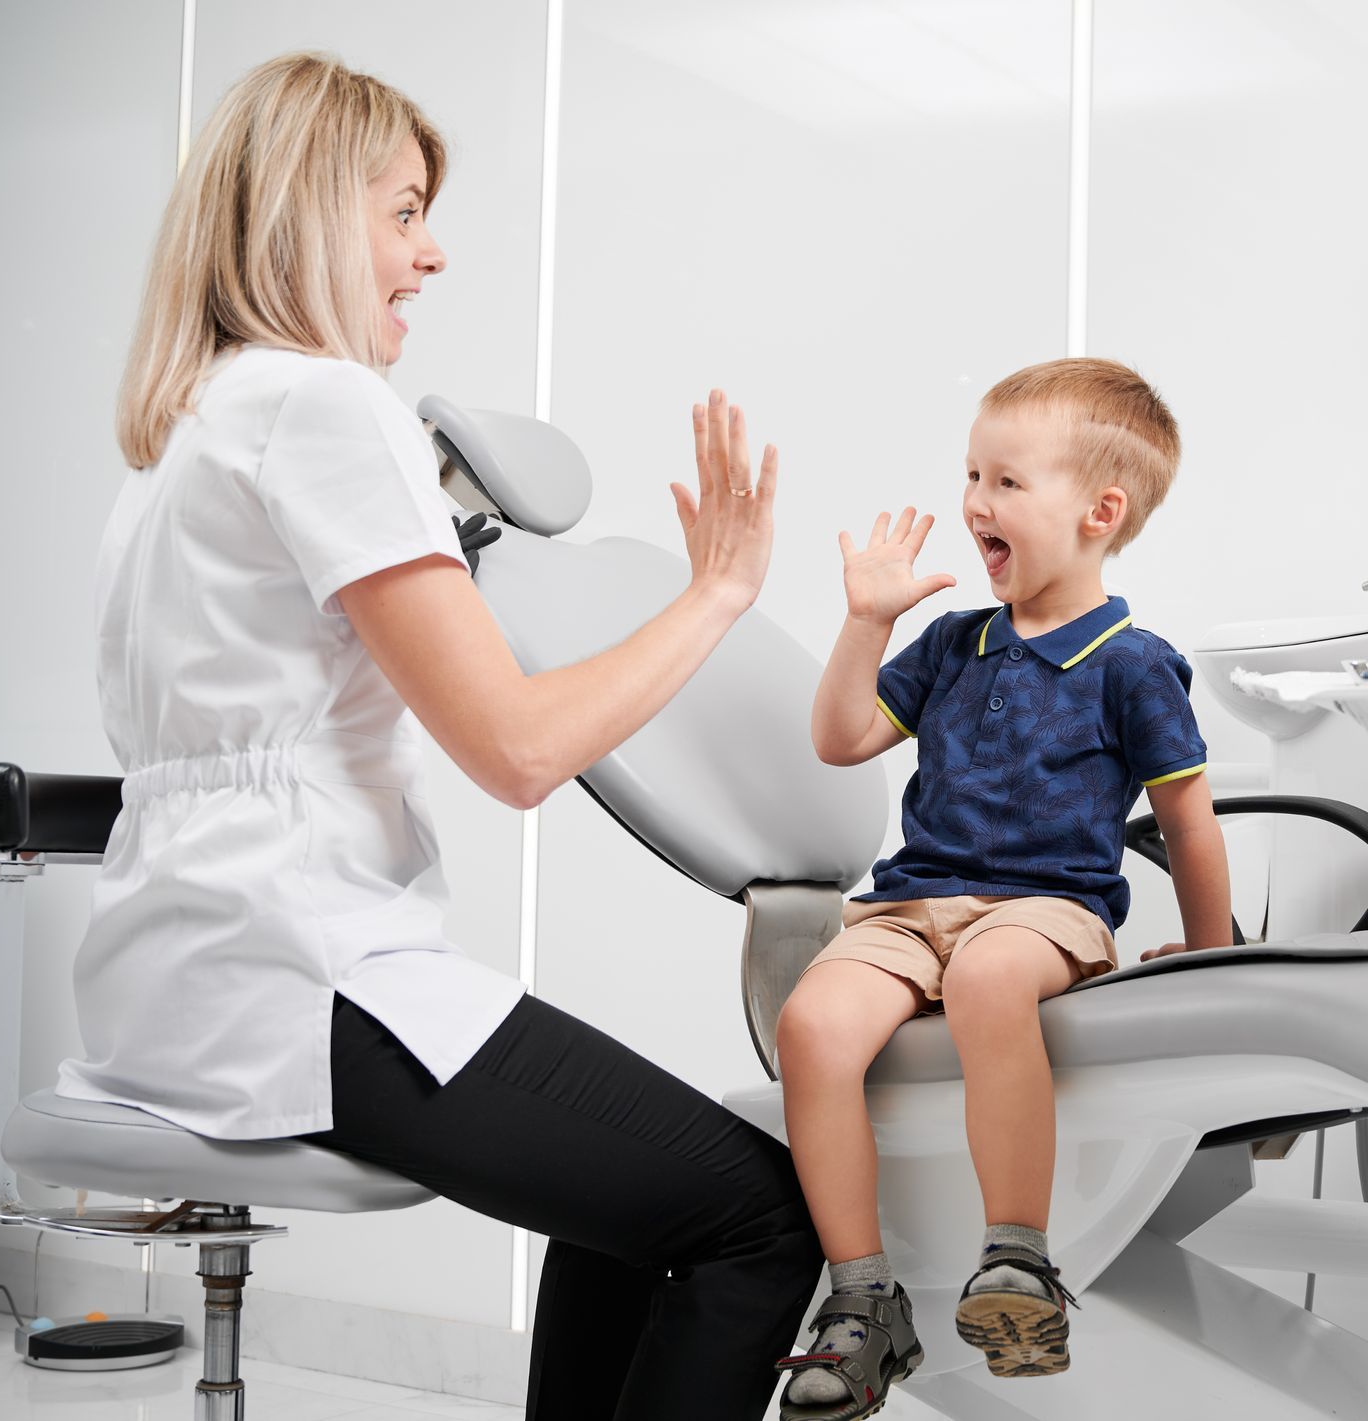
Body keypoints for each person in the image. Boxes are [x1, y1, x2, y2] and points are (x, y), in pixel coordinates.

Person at [62, 51, 820, 1419]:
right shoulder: (328, 406)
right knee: (760, 1217)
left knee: (629, 1205)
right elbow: (520, 749)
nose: (432, 253)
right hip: (297, 971)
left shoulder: (189, 431)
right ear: (307, 210)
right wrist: (714, 596)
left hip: (175, 974)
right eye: (403, 212)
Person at [772, 358, 1234, 1419]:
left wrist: (1209, 955)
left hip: (1045, 908)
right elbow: (841, 738)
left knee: (989, 978)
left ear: (1098, 513)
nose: (975, 499)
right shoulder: (950, 644)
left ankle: (1017, 1261)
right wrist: (866, 622)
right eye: (971, 473)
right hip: (908, 906)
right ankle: (862, 1299)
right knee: (810, 1025)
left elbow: (1187, 824)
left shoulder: (1133, 662)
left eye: (1007, 482)